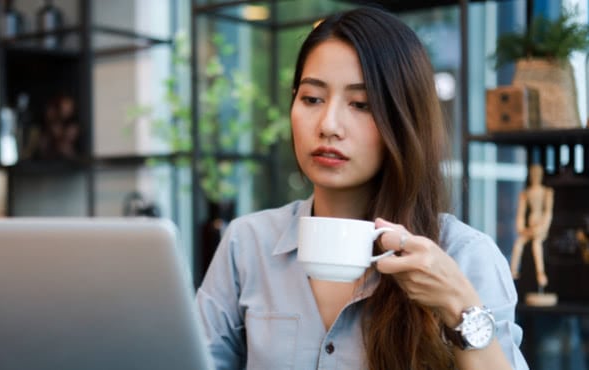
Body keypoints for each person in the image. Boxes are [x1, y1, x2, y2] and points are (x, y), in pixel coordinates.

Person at [195, 7, 528, 370]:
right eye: (312, 99)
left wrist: (458, 305)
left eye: (361, 104)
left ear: (403, 120)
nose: (329, 125)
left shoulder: (465, 255)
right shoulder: (248, 244)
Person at [510, 163, 554, 288]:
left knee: (536, 245)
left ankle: (541, 274)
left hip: (540, 226)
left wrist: (543, 227)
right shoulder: (525, 193)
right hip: (529, 227)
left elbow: (548, 213)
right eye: (533, 174)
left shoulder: (547, 192)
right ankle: (513, 271)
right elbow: (520, 213)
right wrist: (521, 228)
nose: (535, 176)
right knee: (518, 244)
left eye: (537, 174)